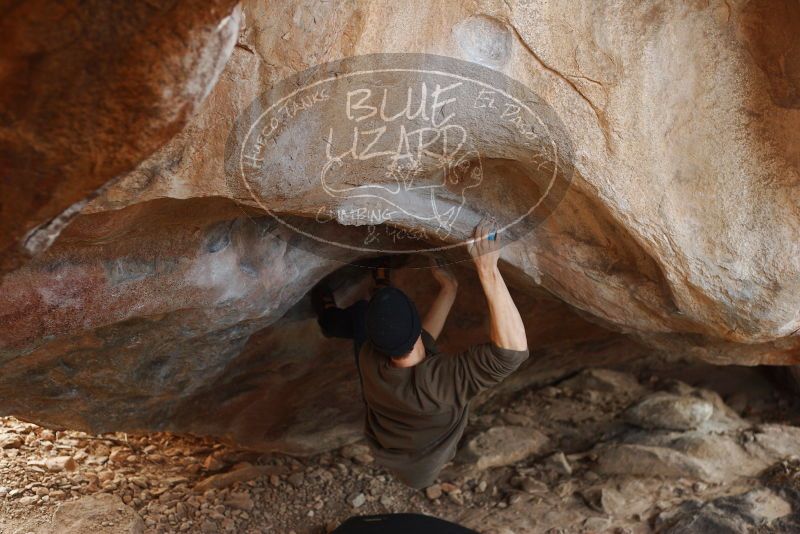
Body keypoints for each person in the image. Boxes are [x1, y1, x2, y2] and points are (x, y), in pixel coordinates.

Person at [313, 218, 529, 489]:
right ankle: (359, 300)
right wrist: (487, 270)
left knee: (360, 318)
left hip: (391, 436)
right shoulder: (437, 387)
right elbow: (512, 353)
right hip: (422, 465)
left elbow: (410, 337)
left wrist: (450, 290)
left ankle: (332, 316)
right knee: (367, 318)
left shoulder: (371, 356)